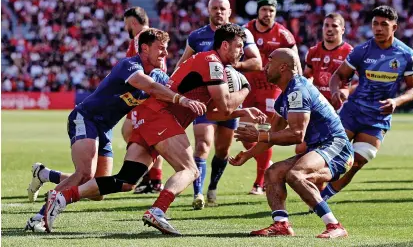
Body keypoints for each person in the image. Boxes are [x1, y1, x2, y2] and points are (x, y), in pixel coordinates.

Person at [42, 23, 266, 235]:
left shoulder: (211, 63)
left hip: (148, 116)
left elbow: (216, 112)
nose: (241, 52)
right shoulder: (213, 62)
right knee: (190, 170)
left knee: (125, 181)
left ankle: (61, 197)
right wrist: (245, 88)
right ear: (225, 45)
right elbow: (225, 104)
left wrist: (241, 112)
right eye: (239, 46)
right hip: (160, 117)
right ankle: (158, 210)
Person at [25, 28, 206, 233]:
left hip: (105, 129)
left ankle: (45, 174)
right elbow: (153, 88)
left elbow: (171, 89)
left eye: (166, 49)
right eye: (161, 49)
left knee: (98, 190)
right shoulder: (129, 65)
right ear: (145, 49)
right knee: (84, 174)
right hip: (86, 118)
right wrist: (181, 99)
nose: (165, 53)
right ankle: (38, 218)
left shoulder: (157, 74)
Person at [230, 48, 353, 238]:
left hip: (336, 147)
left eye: (270, 62)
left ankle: (335, 226)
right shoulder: (284, 97)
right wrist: (248, 155)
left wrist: (258, 136)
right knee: (273, 172)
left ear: (283, 67)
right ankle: (281, 225)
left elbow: (296, 134)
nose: (265, 67)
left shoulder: (297, 91)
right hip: (320, 147)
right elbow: (273, 133)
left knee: (297, 174)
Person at [321, 5, 413, 201]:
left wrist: (396, 101)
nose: (378, 28)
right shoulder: (362, 50)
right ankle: (314, 188)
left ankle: (325, 195)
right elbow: (338, 75)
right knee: (329, 153)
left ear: (395, 28)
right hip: (352, 112)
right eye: (375, 24)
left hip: (377, 118)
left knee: (358, 161)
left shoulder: (406, 55)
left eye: (384, 24)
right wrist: (335, 92)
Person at [176, 0, 262, 209]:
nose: (219, 12)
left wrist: (231, 67)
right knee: (203, 144)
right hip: (205, 100)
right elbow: (182, 64)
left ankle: (212, 187)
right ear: (208, 10)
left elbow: (257, 62)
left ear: (229, 10)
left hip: (230, 95)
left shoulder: (241, 34)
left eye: (222, 8)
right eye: (214, 8)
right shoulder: (197, 37)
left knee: (223, 150)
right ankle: (198, 194)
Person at [241, 0, 299, 195]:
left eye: (271, 11)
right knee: (245, 135)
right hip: (248, 87)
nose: (267, 14)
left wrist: (296, 83)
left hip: (270, 89)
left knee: (265, 132)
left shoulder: (283, 34)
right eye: (264, 10)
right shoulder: (244, 30)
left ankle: (259, 182)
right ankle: (265, 161)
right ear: (258, 11)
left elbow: (295, 59)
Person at [296, 13, 353, 154]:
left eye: (334, 25)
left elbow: (360, 82)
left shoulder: (350, 52)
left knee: (331, 149)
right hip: (317, 107)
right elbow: (307, 77)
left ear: (343, 30)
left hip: (339, 109)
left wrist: (346, 92)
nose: (329, 29)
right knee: (301, 149)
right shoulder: (313, 52)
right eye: (326, 25)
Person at [122, 7, 166, 194]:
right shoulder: (150, 36)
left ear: (132, 22)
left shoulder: (141, 38)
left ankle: (153, 178)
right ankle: (152, 177)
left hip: (145, 95)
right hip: (146, 92)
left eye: (126, 24)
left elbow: (155, 67)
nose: (125, 28)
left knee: (141, 135)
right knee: (131, 132)